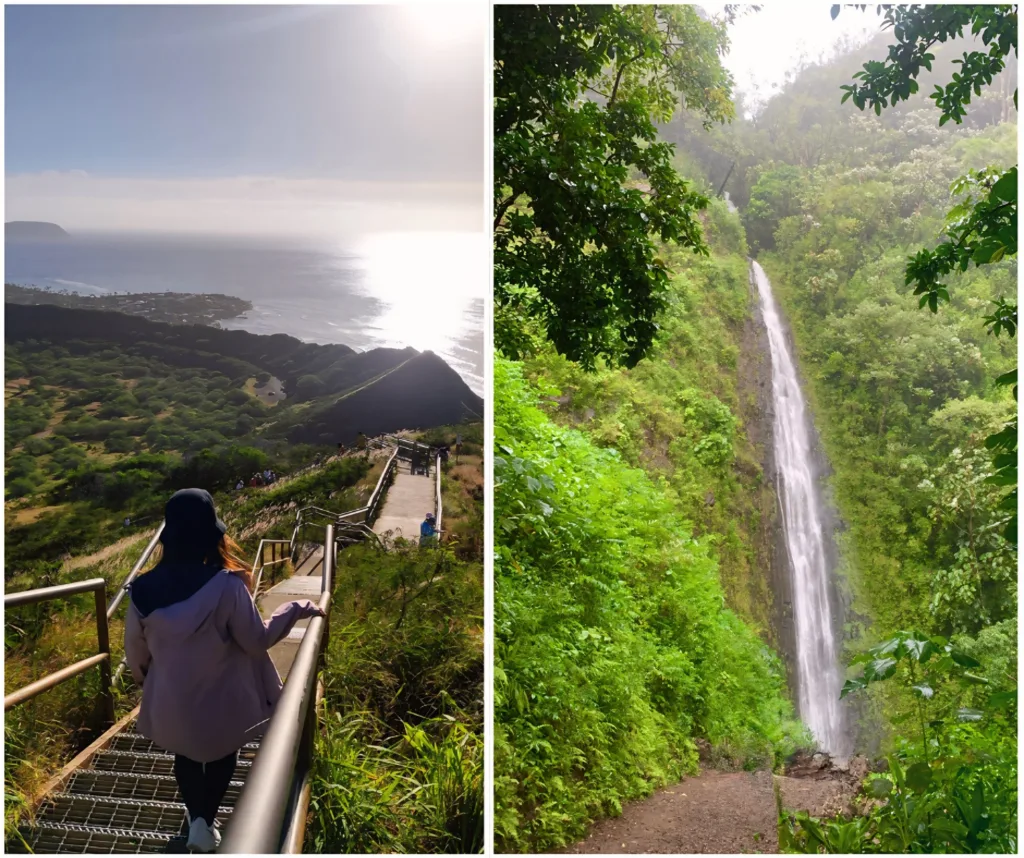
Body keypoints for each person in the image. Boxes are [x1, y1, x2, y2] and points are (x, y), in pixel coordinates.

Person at [124, 489, 323, 853]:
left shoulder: (141, 590)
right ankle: (205, 823)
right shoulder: (228, 585)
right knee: (221, 755)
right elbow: (255, 641)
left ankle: (197, 821)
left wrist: (150, 683)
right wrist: (294, 609)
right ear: (212, 536)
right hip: (221, 698)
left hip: (172, 697)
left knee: (183, 755)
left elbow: (135, 655)